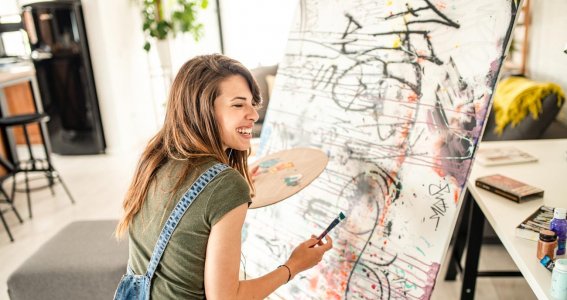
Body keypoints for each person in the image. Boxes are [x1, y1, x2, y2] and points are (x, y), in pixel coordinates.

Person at [115, 54, 333, 299]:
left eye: (252, 104)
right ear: (202, 110)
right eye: (238, 104)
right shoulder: (226, 187)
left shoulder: (157, 158)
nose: (253, 114)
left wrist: (227, 181)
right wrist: (293, 266)